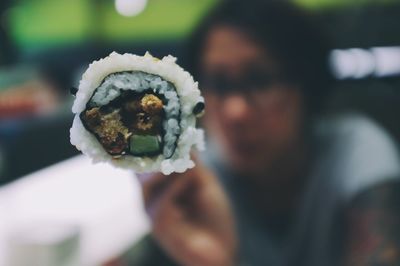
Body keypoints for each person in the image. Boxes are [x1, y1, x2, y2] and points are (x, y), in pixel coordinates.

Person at [127, 1, 400, 265]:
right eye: (219, 85)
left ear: (306, 86)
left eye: (260, 80)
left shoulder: (356, 150)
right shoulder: (199, 179)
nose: (236, 112)